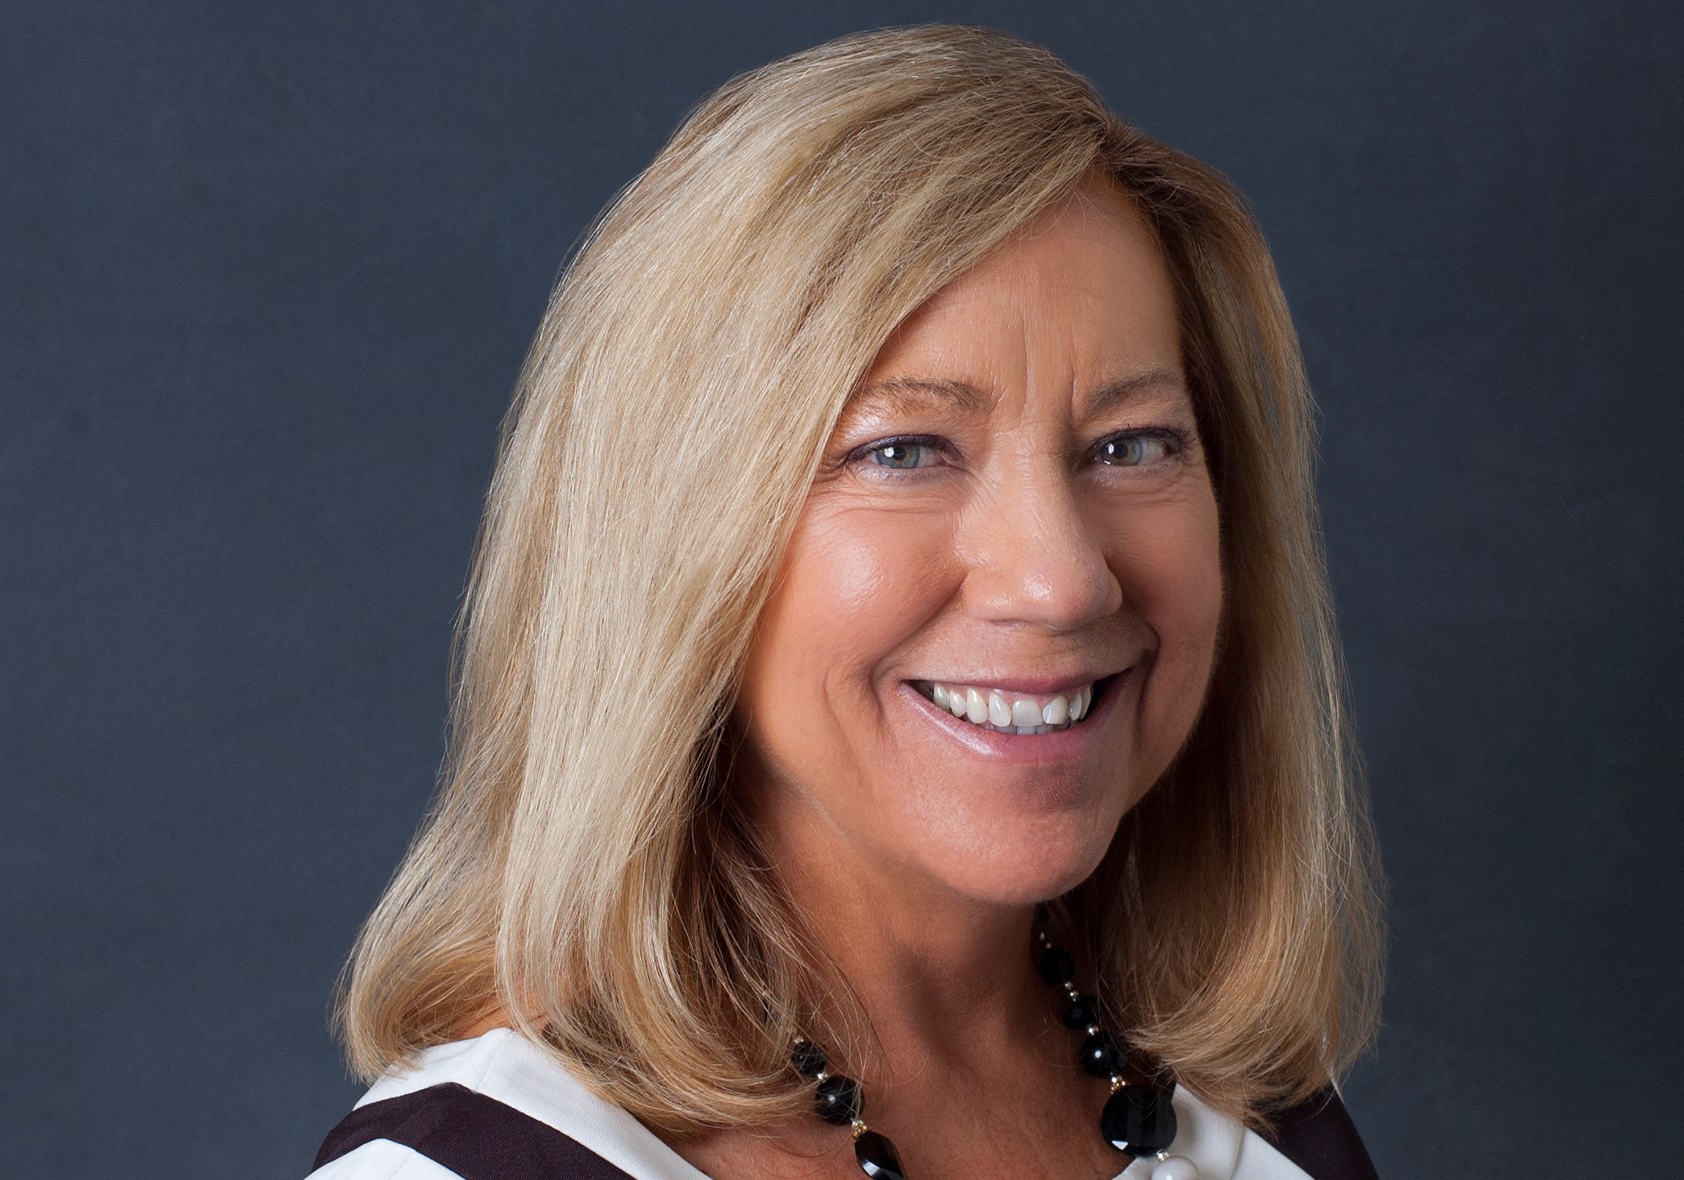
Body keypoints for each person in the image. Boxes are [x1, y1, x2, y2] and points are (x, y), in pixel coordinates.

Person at [309, 23, 1384, 1180]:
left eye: (1130, 443)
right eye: (903, 451)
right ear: (674, 541)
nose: (1062, 576)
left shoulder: (1248, 1116)